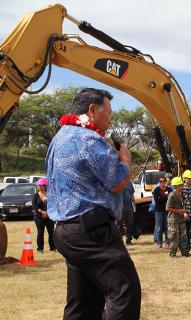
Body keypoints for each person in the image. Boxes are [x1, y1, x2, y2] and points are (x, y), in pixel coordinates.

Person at [47, 88, 141, 319]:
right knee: (124, 290)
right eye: (108, 113)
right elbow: (118, 181)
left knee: (84, 304)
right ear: (92, 110)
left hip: (67, 230)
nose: (110, 119)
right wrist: (126, 159)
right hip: (91, 229)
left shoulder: (60, 137)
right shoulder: (87, 138)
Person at [166, 177, 190, 257]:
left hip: (181, 219)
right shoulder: (172, 195)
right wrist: (179, 211)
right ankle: (172, 253)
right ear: (176, 186)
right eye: (181, 185)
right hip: (173, 220)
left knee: (183, 237)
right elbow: (168, 208)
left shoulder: (180, 194)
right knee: (174, 238)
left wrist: (183, 213)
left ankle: (185, 253)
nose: (182, 186)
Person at [32, 178, 55, 253]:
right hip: (39, 216)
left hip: (49, 216)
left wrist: (48, 213)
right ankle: (40, 249)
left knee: (51, 232)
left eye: (41, 185)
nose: (39, 187)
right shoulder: (36, 195)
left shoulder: (50, 195)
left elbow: (54, 205)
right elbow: (34, 206)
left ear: (45, 186)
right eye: (38, 185)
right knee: (40, 232)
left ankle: (53, 248)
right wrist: (41, 212)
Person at [152, 176, 171, 248]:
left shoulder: (169, 189)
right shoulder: (156, 190)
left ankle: (167, 242)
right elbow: (157, 200)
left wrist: (162, 198)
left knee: (167, 227)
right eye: (160, 181)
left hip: (167, 211)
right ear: (159, 182)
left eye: (163, 181)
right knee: (159, 227)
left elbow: (170, 199)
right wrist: (166, 198)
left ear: (166, 182)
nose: (162, 182)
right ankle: (159, 243)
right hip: (159, 211)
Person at [120, 180, 136, 245]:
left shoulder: (129, 183)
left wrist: (134, 204)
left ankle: (128, 240)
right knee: (119, 225)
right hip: (120, 208)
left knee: (129, 224)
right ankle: (119, 241)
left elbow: (132, 195)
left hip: (129, 207)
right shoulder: (116, 182)